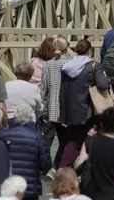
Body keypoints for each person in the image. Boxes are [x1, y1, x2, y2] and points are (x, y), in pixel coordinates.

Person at [58, 39, 110, 168]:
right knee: (87, 139)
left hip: (71, 110)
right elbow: (103, 85)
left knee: (74, 140)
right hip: (88, 110)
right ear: (90, 51)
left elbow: (62, 91)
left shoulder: (67, 67)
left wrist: (63, 114)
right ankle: (70, 168)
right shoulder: (94, 66)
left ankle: (65, 168)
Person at [74, 107, 114, 200]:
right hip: (113, 194)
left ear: (102, 124)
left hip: (91, 193)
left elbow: (79, 164)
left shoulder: (90, 142)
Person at [0, 104, 52, 199]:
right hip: (30, 187)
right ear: (30, 118)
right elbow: (46, 164)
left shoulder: (3, 136)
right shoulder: (37, 137)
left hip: (8, 185)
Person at [40, 37, 71, 174]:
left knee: (47, 138)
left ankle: (43, 166)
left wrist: (43, 107)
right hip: (66, 108)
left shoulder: (48, 65)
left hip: (51, 107)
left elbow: (44, 89)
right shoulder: (70, 63)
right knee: (65, 140)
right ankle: (58, 165)